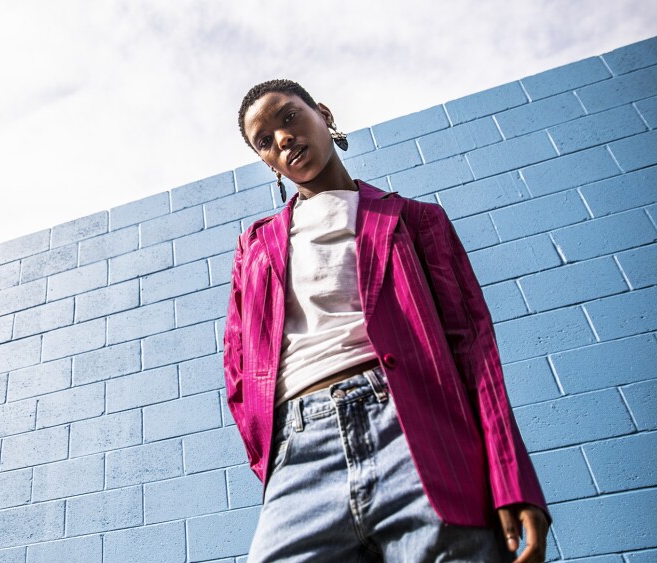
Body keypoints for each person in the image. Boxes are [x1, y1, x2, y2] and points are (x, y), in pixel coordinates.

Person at [222, 79, 552, 562]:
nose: (283, 139)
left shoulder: (416, 221)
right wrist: (274, 460)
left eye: (288, 118)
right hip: (302, 451)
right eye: (265, 141)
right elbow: (238, 370)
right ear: (267, 163)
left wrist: (509, 478)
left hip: (417, 439)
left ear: (324, 114)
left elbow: (473, 349)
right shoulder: (255, 247)